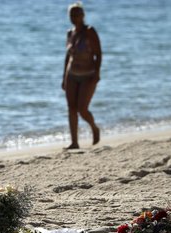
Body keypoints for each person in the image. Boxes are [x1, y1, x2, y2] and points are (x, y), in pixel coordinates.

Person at [62, 2, 102, 150]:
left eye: (77, 14)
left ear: (83, 15)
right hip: (71, 74)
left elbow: (98, 54)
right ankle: (74, 142)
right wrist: (63, 77)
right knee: (71, 108)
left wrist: (97, 72)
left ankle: (94, 127)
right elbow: (68, 57)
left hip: (88, 75)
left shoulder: (90, 31)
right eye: (72, 14)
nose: (74, 17)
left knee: (82, 109)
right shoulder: (70, 33)